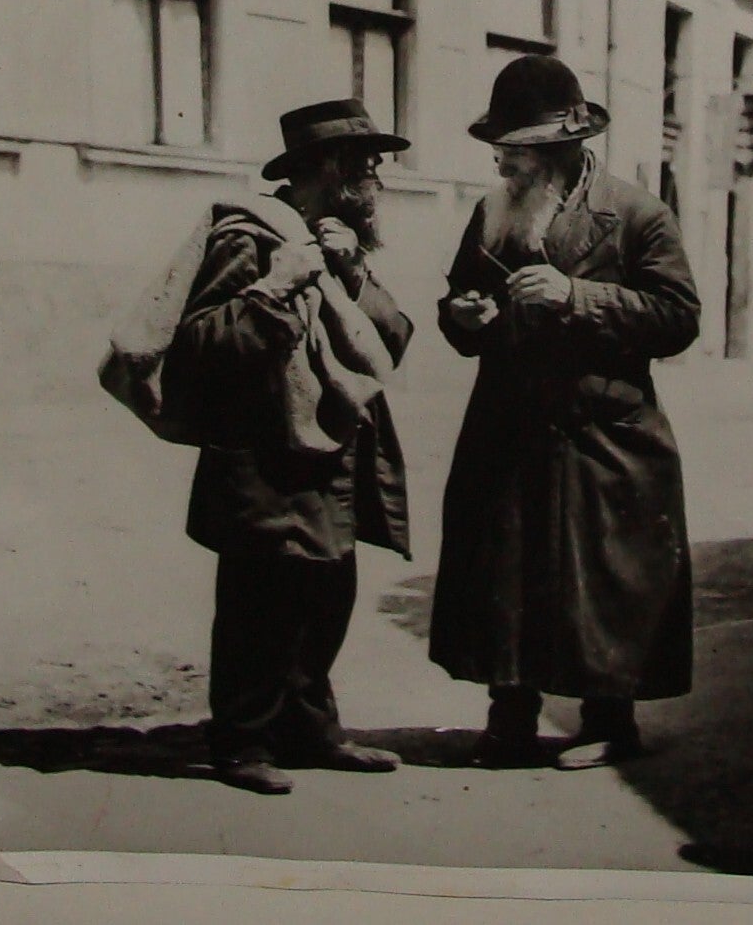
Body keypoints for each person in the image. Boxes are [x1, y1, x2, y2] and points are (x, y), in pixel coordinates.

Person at [430, 55, 701, 770]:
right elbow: (460, 305)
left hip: (602, 430)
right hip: (509, 425)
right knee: (506, 578)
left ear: (560, 149)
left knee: (603, 581)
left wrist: (575, 297)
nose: (503, 165)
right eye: (501, 151)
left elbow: (679, 317)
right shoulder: (492, 212)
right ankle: (509, 719)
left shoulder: (638, 213)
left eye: (515, 152)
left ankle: (610, 724)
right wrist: (463, 316)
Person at [162, 99, 413, 795]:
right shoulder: (251, 238)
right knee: (259, 601)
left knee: (329, 589)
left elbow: (393, 335)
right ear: (329, 170)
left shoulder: (339, 241)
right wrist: (275, 288)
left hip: (330, 452)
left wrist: (353, 272)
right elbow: (199, 345)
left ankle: (310, 728)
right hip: (265, 457)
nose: (377, 180)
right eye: (367, 165)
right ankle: (241, 742)